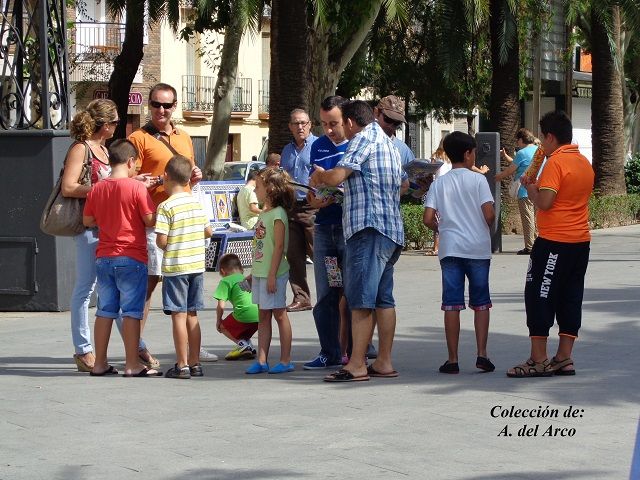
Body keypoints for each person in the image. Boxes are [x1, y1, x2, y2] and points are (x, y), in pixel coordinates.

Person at [310, 100, 405, 383]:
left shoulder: (362, 139)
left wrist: (320, 177)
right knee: (383, 299)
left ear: (350, 122)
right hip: (390, 231)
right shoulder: (388, 142)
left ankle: (356, 364)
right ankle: (384, 362)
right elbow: (401, 183)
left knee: (360, 300)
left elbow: (338, 175)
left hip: (368, 230)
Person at [62, 99, 156, 372]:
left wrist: (128, 184)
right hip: (90, 229)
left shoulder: (104, 150)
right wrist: (111, 186)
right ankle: (83, 349)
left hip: (107, 231)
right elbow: (69, 187)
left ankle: (133, 348)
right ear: (103, 124)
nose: (117, 126)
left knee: (110, 294)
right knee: (85, 289)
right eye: (114, 122)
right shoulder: (81, 148)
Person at [129, 83, 213, 364]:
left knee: (188, 288)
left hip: (185, 218)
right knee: (150, 283)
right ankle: (137, 346)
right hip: (156, 219)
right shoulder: (139, 138)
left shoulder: (184, 137)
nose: (161, 110)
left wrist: (195, 175)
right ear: (149, 105)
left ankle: (191, 351)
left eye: (166, 105)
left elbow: (186, 172)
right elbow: (130, 178)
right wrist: (143, 182)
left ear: (175, 106)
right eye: (156, 104)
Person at [507, 111, 594, 378]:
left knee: (539, 295)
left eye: (543, 138)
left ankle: (538, 359)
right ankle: (564, 358)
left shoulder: (556, 163)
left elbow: (544, 202)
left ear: (551, 137)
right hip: (580, 242)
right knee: (570, 296)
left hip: (555, 241)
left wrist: (529, 185)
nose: (541, 145)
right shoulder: (583, 162)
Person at [82, 139, 160, 377]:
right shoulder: (137, 188)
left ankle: (100, 362)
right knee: (131, 312)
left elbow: (87, 221)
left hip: (104, 256)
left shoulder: (97, 188)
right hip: (131, 256)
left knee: (105, 310)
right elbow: (149, 220)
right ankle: (131, 364)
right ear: (130, 161)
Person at [423, 132, 496, 374]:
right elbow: (488, 214)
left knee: (452, 304)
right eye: (474, 152)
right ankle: (482, 354)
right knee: (481, 303)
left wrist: (442, 228)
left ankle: (452, 359)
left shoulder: (439, 183)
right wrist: (486, 226)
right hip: (477, 249)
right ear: (467, 154)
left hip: (450, 249)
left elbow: (427, 218)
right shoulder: (478, 181)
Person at [303, 95, 350, 370]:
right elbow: (312, 189)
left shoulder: (357, 145)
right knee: (328, 293)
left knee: (353, 293)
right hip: (325, 229)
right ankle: (329, 351)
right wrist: (315, 200)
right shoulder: (318, 146)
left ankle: (357, 350)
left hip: (349, 229)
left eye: (334, 123)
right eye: (324, 124)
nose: (329, 130)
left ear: (347, 120)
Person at [155, 155, 212, 379]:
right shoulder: (196, 204)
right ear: (189, 178)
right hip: (196, 265)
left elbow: (161, 240)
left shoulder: (166, 206)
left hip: (176, 266)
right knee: (192, 314)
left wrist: (173, 242)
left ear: (166, 177)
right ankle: (195, 362)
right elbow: (209, 231)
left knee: (177, 315)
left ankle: (182, 364)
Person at [245, 168, 296, 375]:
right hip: (260, 273)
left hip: (272, 274)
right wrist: (253, 273)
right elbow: (262, 245)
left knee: (280, 314)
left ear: (271, 190)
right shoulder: (264, 213)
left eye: (258, 187)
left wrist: (272, 274)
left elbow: (278, 246)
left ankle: (285, 360)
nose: (255, 190)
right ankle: (262, 360)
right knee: (263, 316)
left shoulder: (278, 214)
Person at [280, 109, 318, 312]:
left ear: (310, 124)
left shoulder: (318, 146)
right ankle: (301, 298)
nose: (300, 127)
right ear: (290, 127)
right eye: (296, 123)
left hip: (313, 207)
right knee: (294, 255)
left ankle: (337, 293)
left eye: (303, 123)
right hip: (291, 207)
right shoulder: (286, 150)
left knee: (320, 253)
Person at [495, 128, 539, 255]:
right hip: (538, 189)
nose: (517, 143)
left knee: (527, 219)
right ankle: (536, 243)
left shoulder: (522, 152)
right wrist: (505, 156)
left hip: (524, 190)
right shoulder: (538, 151)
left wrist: (498, 177)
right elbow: (518, 164)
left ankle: (529, 247)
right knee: (535, 218)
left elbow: (511, 170)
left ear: (521, 139)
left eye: (517, 140)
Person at [214, 253, 259, 360]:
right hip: (259, 316)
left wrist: (219, 320)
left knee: (223, 326)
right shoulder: (244, 278)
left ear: (223, 271)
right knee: (242, 328)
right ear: (241, 269)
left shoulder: (225, 281)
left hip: (244, 314)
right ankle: (248, 345)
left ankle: (242, 345)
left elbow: (221, 305)